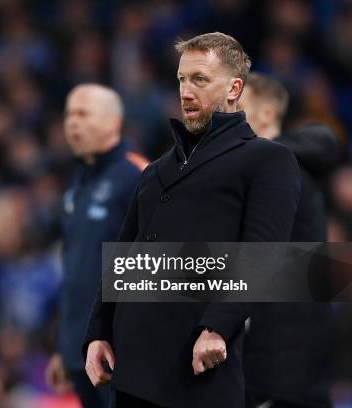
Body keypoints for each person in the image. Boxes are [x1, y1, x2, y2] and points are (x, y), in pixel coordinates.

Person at [84, 32, 301, 407]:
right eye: (182, 79)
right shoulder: (154, 171)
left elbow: (263, 254)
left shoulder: (267, 161)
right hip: (131, 369)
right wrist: (98, 332)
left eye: (200, 80)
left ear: (234, 88)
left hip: (198, 369)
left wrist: (218, 325)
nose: (186, 91)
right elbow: (125, 258)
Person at [239, 73, 339, 408]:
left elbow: (326, 140)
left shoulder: (286, 168)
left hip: (285, 360)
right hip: (263, 354)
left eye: (236, 105)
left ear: (266, 114)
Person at [44, 84, 147, 407]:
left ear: (112, 123)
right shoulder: (77, 185)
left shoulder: (139, 176)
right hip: (80, 348)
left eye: (83, 114)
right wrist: (65, 345)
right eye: (68, 114)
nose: (72, 123)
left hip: (121, 349)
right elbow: (74, 270)